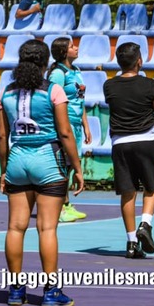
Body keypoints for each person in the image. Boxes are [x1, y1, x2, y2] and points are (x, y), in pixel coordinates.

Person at [0, 40, 84, 306]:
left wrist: (3, 171)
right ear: (46, 62)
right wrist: (77, 168)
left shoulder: (6, 93)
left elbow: (2, 136)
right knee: (47, 228)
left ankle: (15, 290)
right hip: (48, 160)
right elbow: (66, 132)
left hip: (17, 161)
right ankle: (50, 291)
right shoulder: (53, 90)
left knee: (15, 227)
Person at [102, 42, 154, 259]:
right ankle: (145, 224)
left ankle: (131, 243)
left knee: (128, 192)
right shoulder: (151, 85)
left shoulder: (109, 86)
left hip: (119, 143)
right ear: (139, 61)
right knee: (152, 186)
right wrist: (149, 128)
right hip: (145, 140)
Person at [48, 37, 92, 223]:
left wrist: (86, 125)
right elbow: (53, 99)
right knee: (64, 165)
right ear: (64, 52)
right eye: (72, 46)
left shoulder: (77, 71)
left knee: (70, 165)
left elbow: (79, 100)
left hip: (76, 123)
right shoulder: (58, 73)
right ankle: (59, 206)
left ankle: (65, 204)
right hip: (64, 123)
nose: (77, 48)